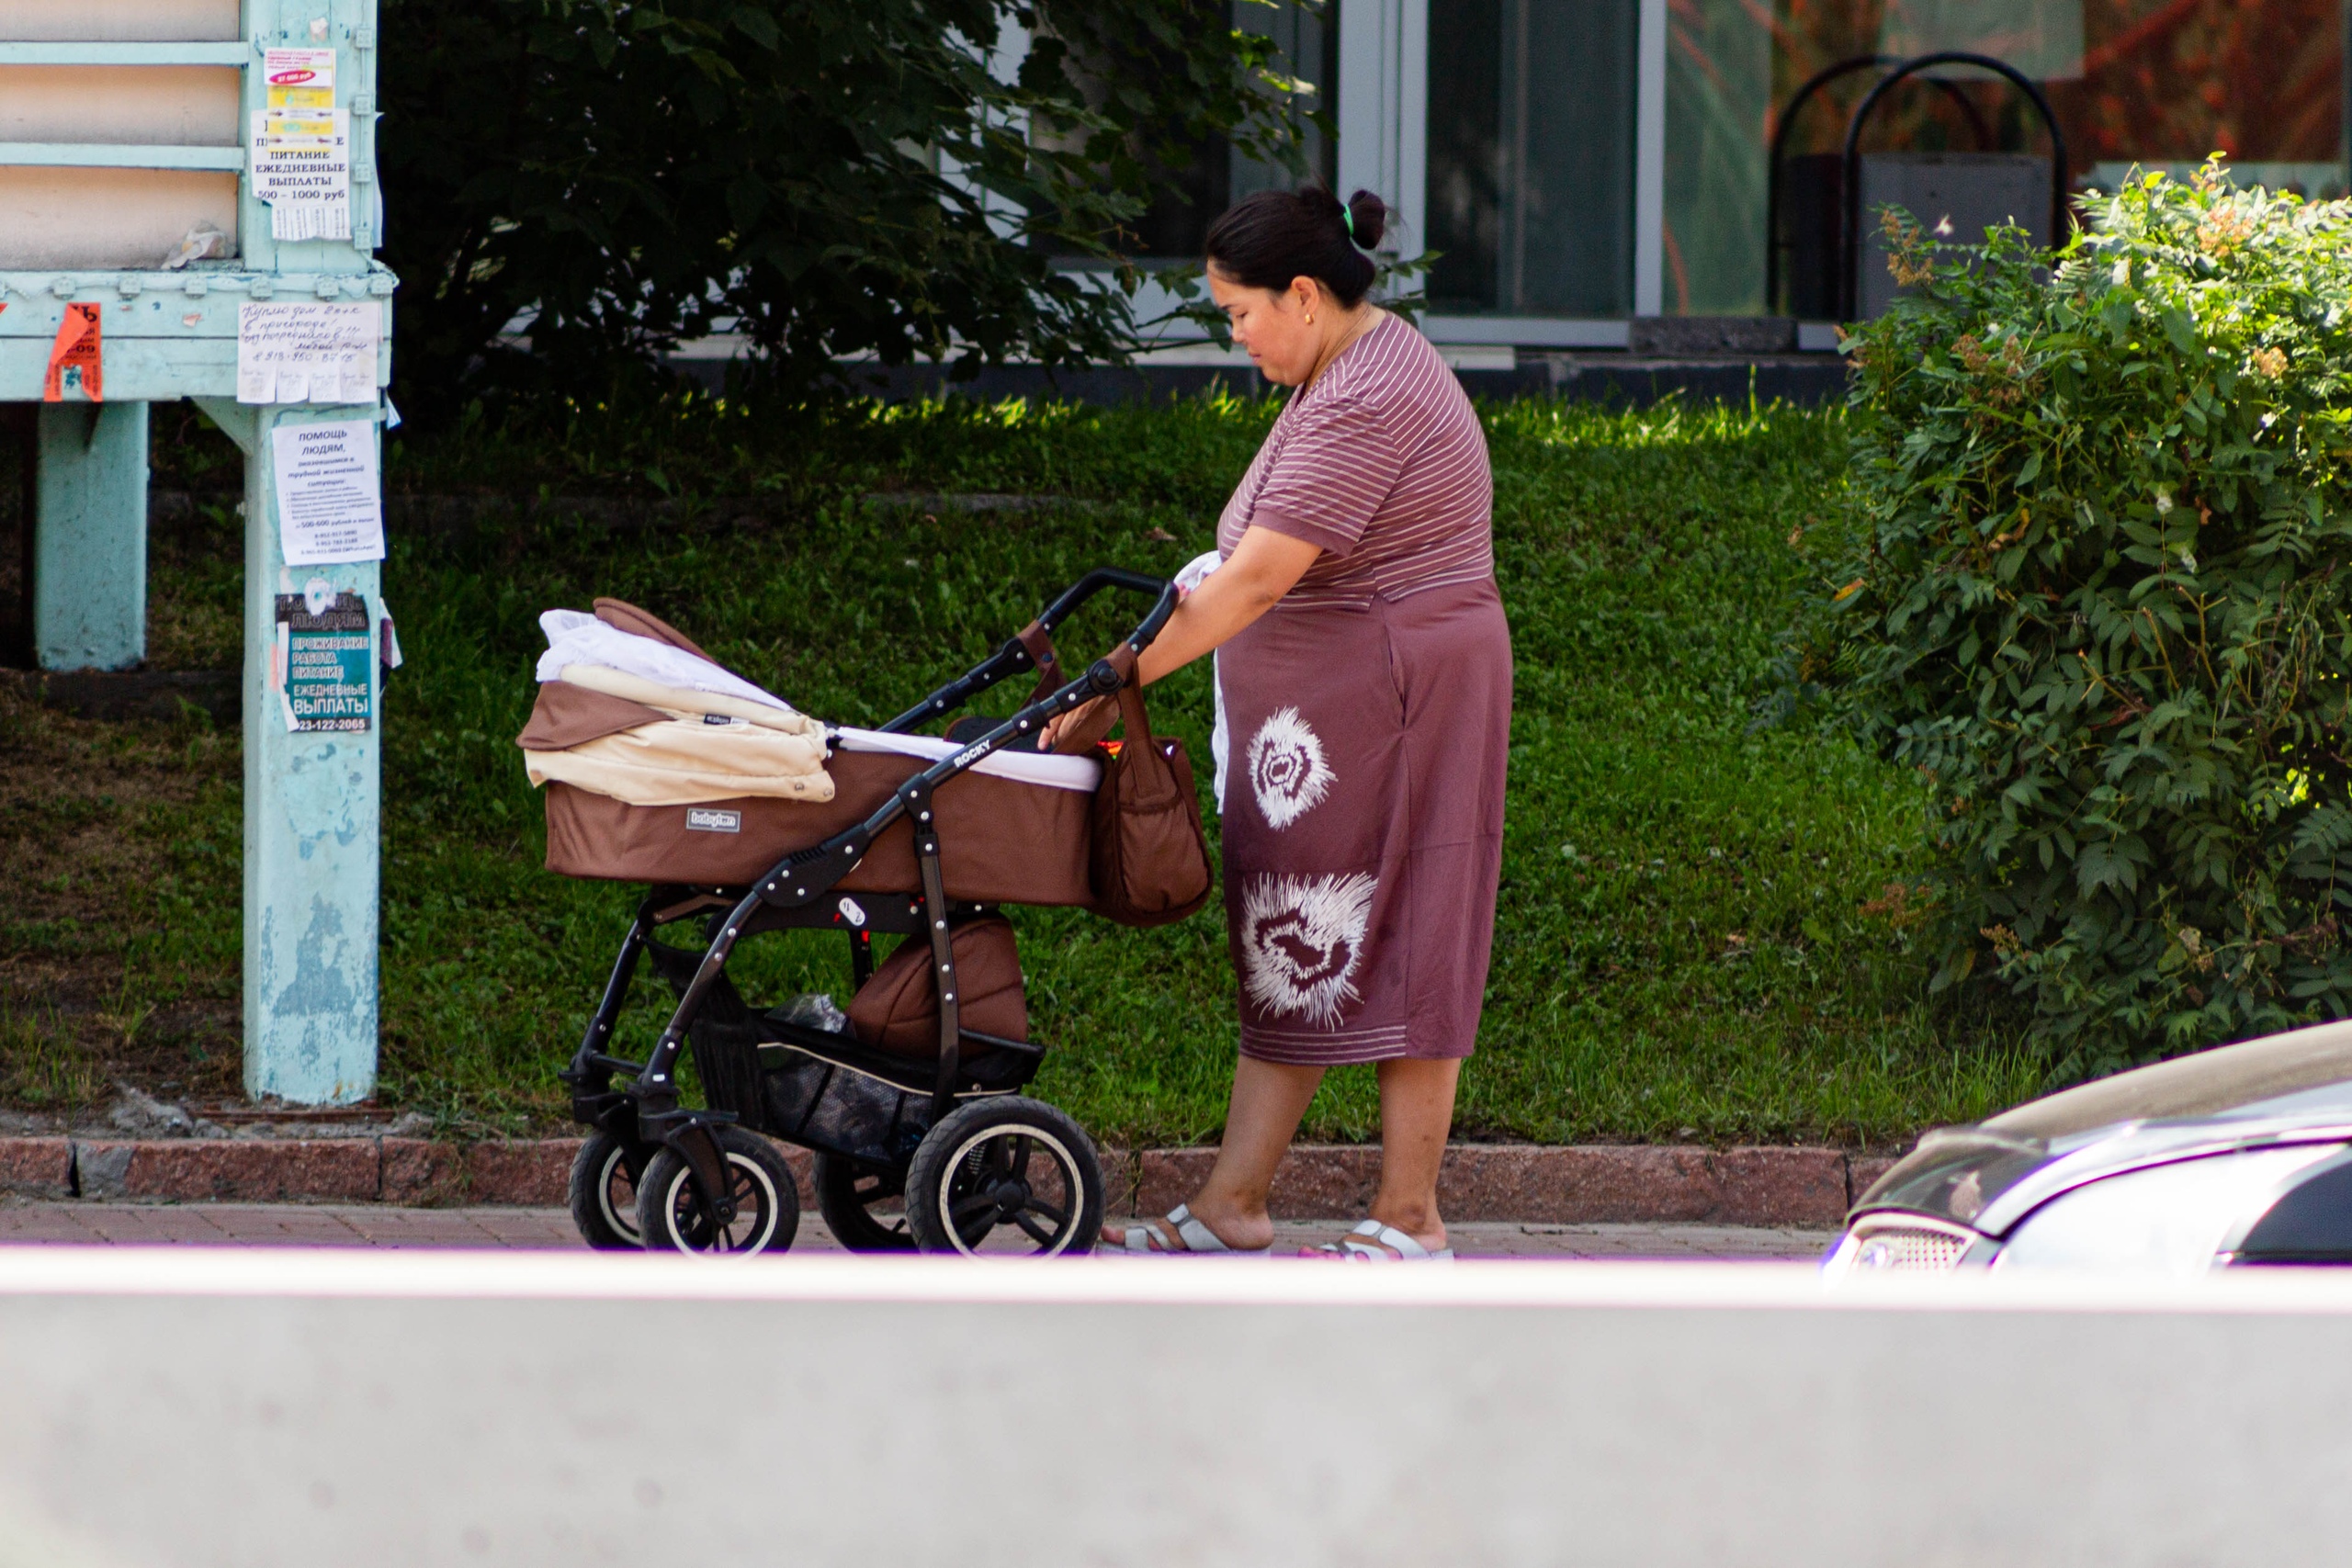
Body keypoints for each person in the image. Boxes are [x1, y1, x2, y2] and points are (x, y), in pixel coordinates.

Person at [1054, 186, 1512, 1260]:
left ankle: (1411, 1218)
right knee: (1299, 930)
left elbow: (1259, 577)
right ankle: (1234, 1203)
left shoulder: (1363, 398)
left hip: (1400, 692)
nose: (1235, 335)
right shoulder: (1354, 361)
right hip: (1340, 705)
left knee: (1408, 924)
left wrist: (1119, 679)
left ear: (1302, 295)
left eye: (1239, 313)